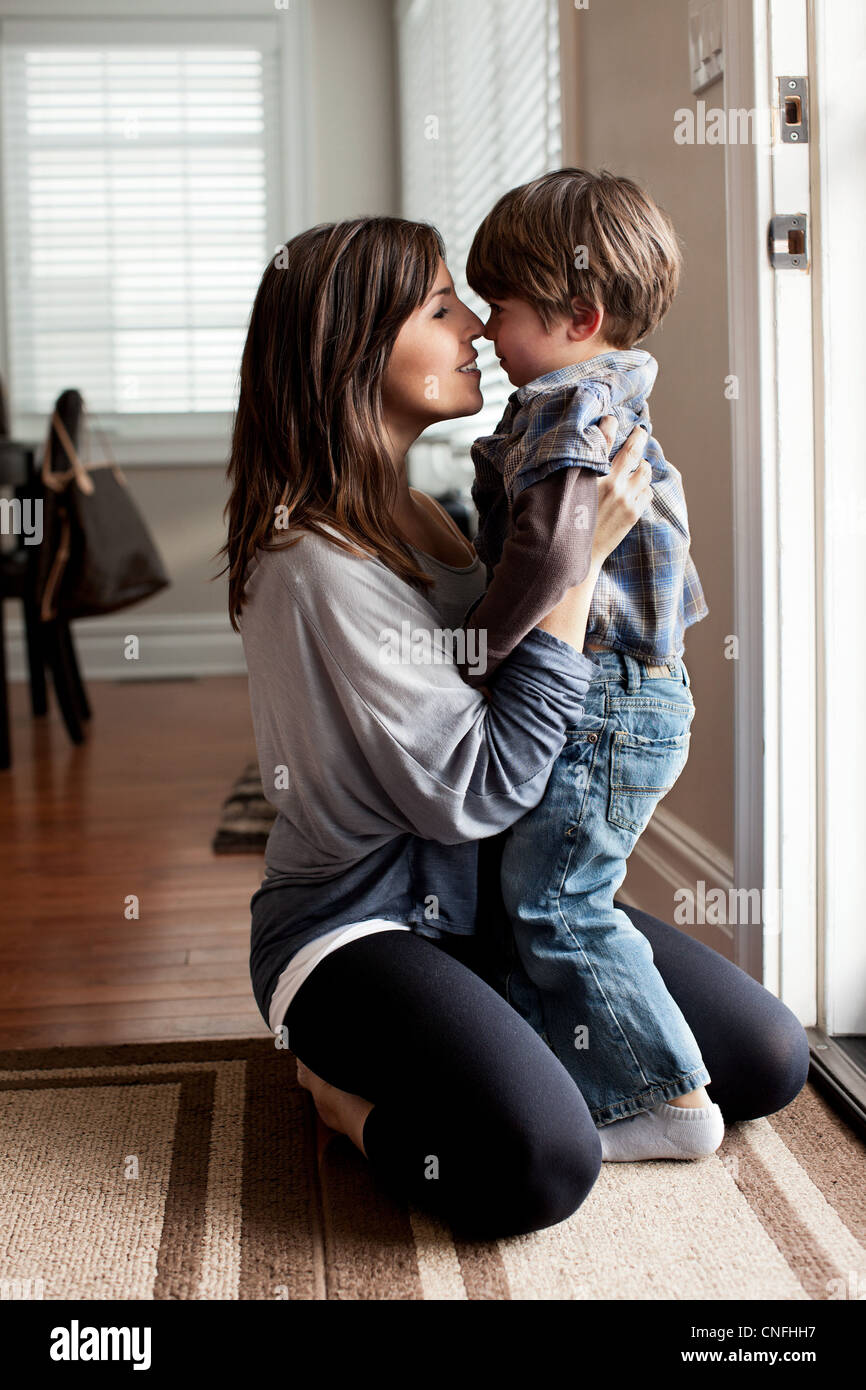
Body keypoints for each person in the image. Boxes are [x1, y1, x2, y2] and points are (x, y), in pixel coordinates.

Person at [218, 216, 809, 1241]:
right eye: (441, 307)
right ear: (353, 343)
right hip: (363, 921)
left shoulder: (421, 517)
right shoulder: (311, 566)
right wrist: (575, 575)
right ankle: (340, 1099)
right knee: (539, 1162)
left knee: (764, 1057)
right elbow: (478, 784)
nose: (476, 332)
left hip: (488, 901)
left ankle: (498, 1030)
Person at [457, 168, 720, 1162]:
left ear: (579, 314)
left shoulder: (567, 407)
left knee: (558, 898)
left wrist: (478, 644)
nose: (484, 330)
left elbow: (553, 552)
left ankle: (667, 1097)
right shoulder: (598, 394)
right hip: (631, 693)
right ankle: (571, 1074)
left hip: (604, 699)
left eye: (501, 307)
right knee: (542, 889)